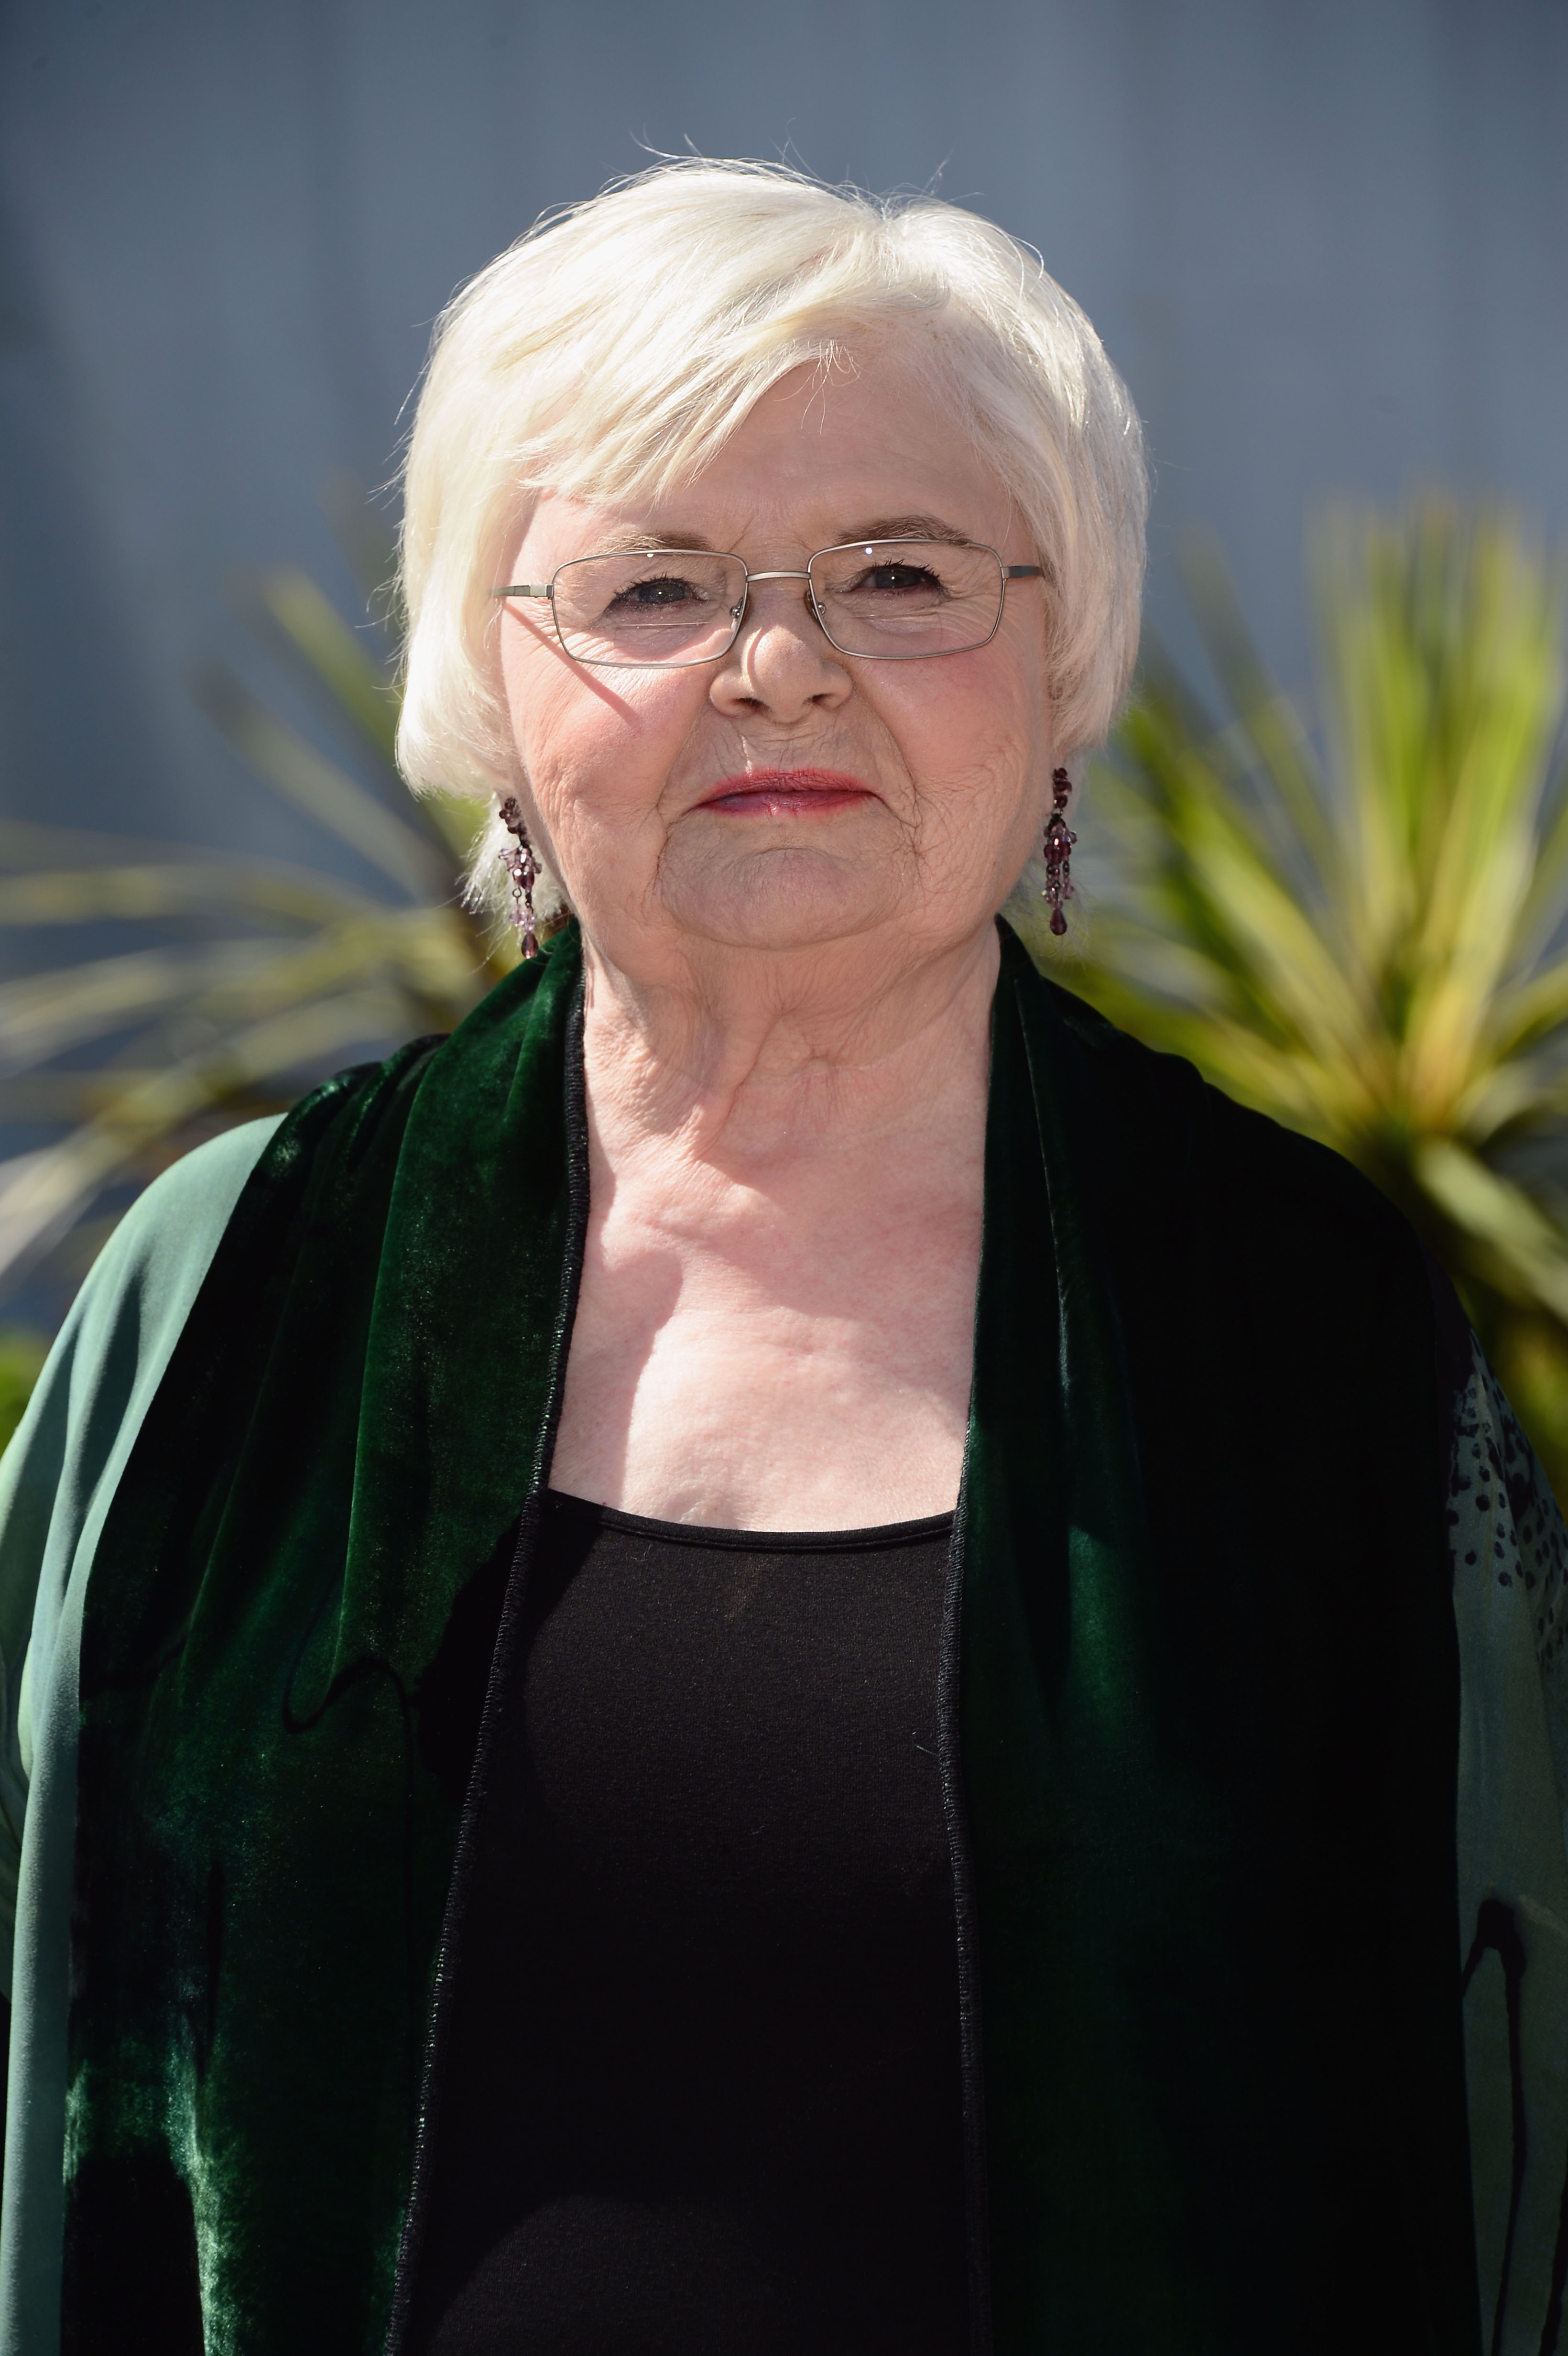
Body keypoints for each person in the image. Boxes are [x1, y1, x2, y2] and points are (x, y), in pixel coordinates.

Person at [0, 158, 1558, 2356]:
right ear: (492, 682)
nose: (774, 666)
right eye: (647, 587)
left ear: (1059, 659)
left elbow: (1519, 2115)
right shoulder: (232, 1286)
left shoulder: (1298, 1321)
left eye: (898, 572)